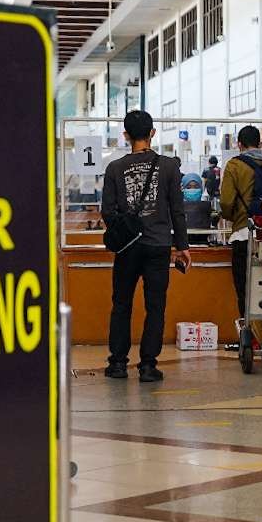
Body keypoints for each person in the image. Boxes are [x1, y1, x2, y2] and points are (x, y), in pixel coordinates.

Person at [101, 110, 191, 382]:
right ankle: (148, 366)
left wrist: (126, 228)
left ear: (126, 135)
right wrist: (182, 246)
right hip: (158, 246)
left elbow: (107, 212)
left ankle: (117, 364)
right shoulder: (169, 167)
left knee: (121, 304)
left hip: (128, 247)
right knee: (155, 306)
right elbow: (178, 211)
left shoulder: (115, 168)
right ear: (152, 133)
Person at [220, 125, 262, 319]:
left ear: (239, 145)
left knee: (245, 288)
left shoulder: (234, 165)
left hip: (244, 233)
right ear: (260, 143)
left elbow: (226, 201)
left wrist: (233, 217)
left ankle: (249, 337)